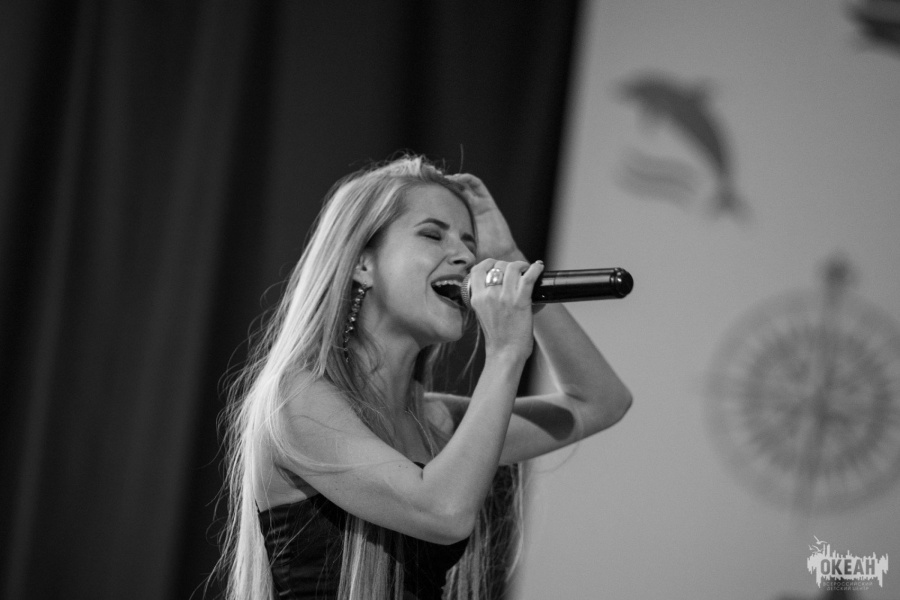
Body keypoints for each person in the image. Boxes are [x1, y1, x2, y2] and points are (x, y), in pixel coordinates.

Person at [218, 155, 632, 600]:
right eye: (433, 235)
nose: (466, 257)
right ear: (362, 264)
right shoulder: (298, 399)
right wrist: (507, 352)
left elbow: (600, 401)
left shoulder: (437, 424)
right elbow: (443, 511)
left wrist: (511, 259)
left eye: (471, 244)